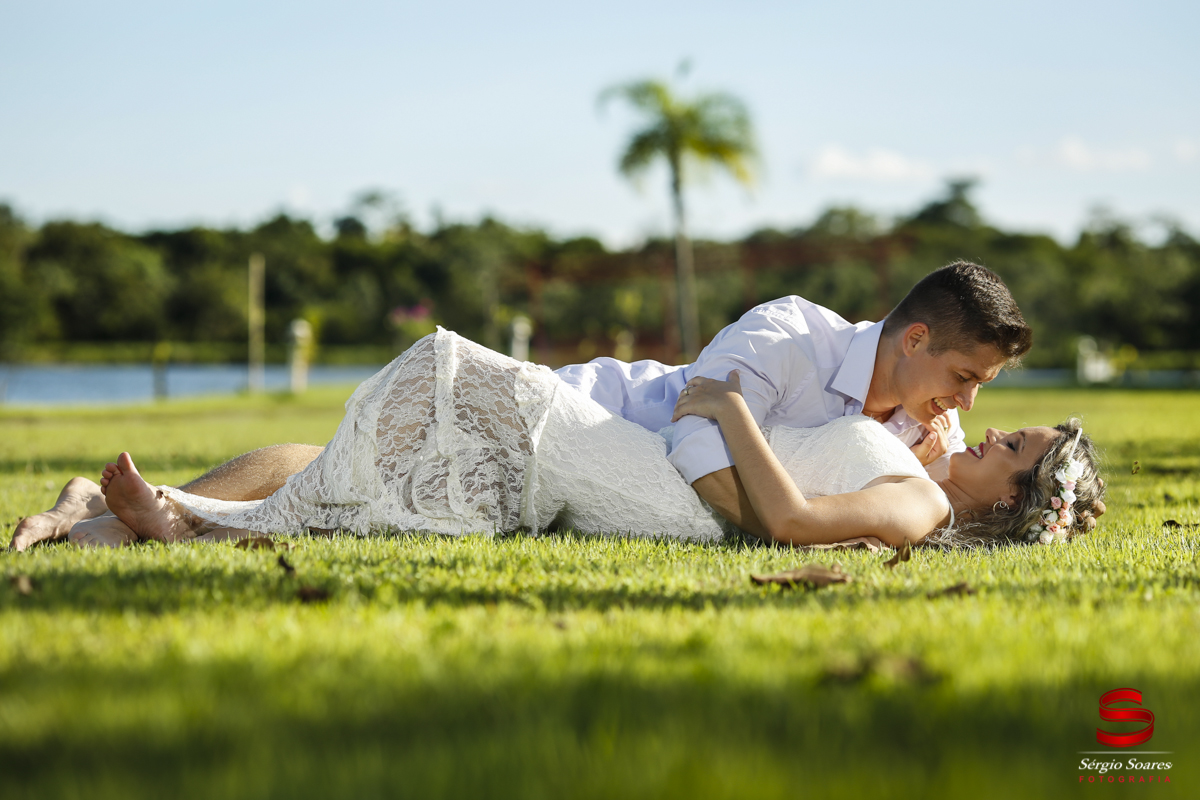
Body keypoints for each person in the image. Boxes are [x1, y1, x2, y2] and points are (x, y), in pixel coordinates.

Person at [89, 328, 1104, 550]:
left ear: (1009, 496)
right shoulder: (920, 455)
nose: (990, 426)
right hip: (653, 470)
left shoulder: (923, 503)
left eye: (1012, 445)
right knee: (448, 427)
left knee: (452, 369)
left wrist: (727, 408)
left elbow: (791, 520)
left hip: (667, 498)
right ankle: (199, 515)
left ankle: (200, 519)